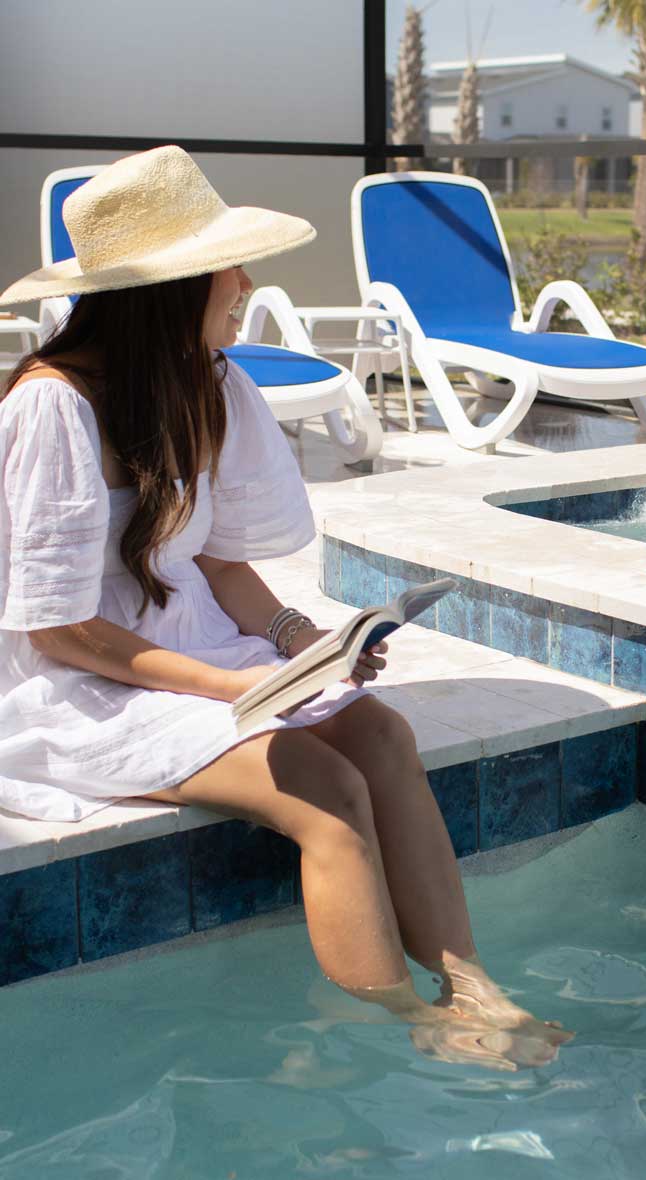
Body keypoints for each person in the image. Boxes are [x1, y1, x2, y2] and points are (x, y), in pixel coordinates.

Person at [0, 146, 569, 1071]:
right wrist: (227, 687)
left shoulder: (207, 382)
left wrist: (306, 642)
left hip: (192, 654)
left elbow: (218, 565)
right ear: (170, 286)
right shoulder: (51, 408)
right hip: (85, 683)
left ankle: (473, 987)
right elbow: (58, 627)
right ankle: (406, 1031)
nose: (247, 282)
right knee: (326, 792)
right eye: (229, 265)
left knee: (382, 735)